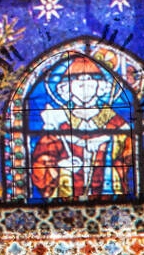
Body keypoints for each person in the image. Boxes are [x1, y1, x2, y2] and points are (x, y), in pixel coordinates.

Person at [30, 54, 134, 200]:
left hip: (107, 191)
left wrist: (109, 149)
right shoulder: (58, 120)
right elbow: (42, 159)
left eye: (91, 83)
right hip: (67, 196)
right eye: (78, 84)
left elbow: (128, 155)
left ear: (101, 88)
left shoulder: (116, 123)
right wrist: (61, 165)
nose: (85, 87)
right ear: (66, 89)